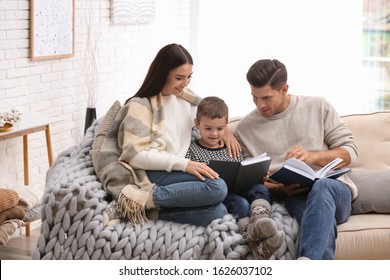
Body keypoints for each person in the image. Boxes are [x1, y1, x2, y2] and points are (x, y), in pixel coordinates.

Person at [234, 59, 358, 260]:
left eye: (266, 97)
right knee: (313, 222)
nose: (260, 105)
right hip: (293, 197)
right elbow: (253, 178)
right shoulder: (244, 128)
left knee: (323, 186)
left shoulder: (318, 106)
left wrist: (312, 156)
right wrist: (278, 189)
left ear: (284, 89)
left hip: (334, 193)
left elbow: (350, 152)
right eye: (254, 97)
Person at [109, 43, 240, 227]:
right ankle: (139, 200)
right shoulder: (141, 105)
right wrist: (185, 164)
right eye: (179, 77)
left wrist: (227, 131)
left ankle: (151, 211)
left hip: (178, 170)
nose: (185, 83)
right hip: (155, 171)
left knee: (219, 211)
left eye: (189, 77)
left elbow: (211, 115)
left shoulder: (187, 99)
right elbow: (134, 156)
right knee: (217, 187)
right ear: (162, 74)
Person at [185, 96, 285, 259]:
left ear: (226, 127)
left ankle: (260, 220)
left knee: (259, 188)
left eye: (220, 129)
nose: (214, 134)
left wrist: (258, 175)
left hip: (240, 186)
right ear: (197, 124)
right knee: (241, 202)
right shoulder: (192, 150)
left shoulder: (232, 148)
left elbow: (242, 169)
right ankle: (256, 245)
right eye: (208, 128)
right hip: (220, 194)